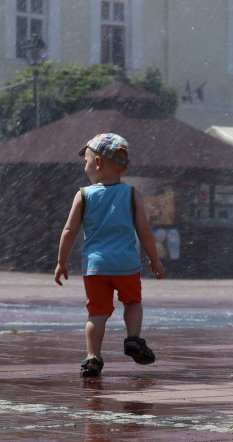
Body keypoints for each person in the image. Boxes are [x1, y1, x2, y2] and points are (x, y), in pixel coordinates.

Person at [54, 132, 165, 377]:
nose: (84, 165)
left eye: (86, 160)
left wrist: (62, 262)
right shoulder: (132, 194)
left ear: (98, 163)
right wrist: (154, 260)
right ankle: (133, 338)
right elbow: (144, 231)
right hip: (126, 265)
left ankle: (92, 358)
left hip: (95, 267)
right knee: (133, 302)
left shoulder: (83, 195)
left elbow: (69, 230)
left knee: (97, 313)